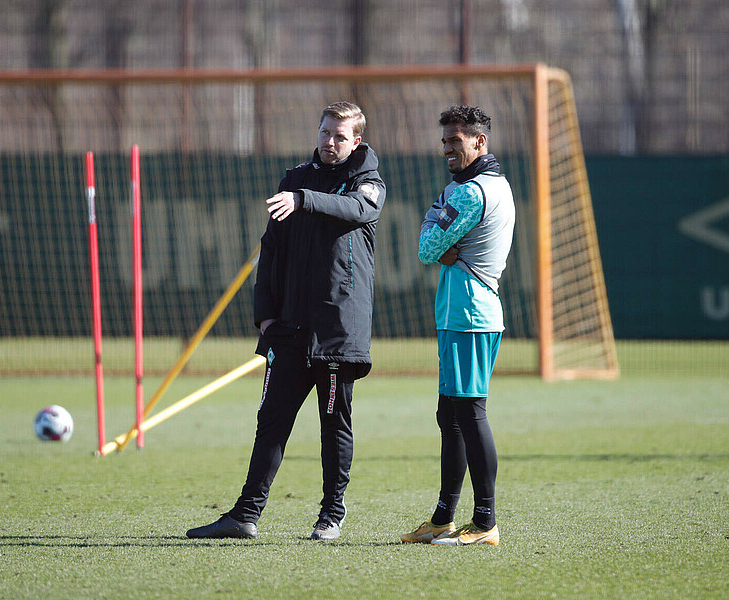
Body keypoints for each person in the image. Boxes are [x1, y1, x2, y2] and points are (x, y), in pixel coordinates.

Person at [187, 101, 386, 541]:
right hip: (289, 330)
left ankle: (331, 515)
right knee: (271, 422)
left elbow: (355, 210)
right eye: (324, 132)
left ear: (356, 141)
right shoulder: (293, 179)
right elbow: (270, 251)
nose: (329, 142)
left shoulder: (368, 183)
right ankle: (244, 515)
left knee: (333, 424)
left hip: (336, 333)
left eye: (339, 136)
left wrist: (303, 201)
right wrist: (265, 316)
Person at [401, 105, 514, 546]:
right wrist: (438, 228)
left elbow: (428, 248)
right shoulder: (492, 185)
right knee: (450, 415)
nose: (448, 148)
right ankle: (443, 517)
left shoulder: (468, 193)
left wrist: (436, 228)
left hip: (469, 314)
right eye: (445, 141)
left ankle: (485, 521)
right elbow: (435, 241)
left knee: (468, 414)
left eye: (456, 141)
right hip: (465, 313)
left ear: (479, 141)